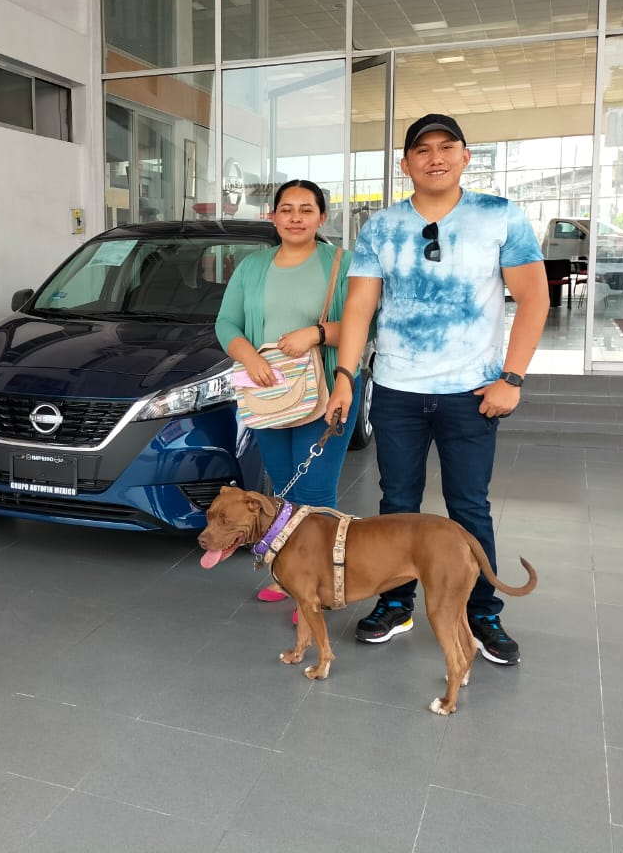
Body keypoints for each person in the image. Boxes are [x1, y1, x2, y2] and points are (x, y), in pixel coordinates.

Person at [324, 113, 548, 665]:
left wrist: (512, 378)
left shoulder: (499, 216)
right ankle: (395, 602)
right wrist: (346, 377)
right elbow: (360, 307)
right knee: (396, 504)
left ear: (466, 156)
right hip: (397, 390)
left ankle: (482, 612)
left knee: (468, 505)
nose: (435, 158)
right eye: (422, 150)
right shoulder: (381, 227)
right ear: (406, 165)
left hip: (472, 392)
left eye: (447, 147)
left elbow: (534, 298)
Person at [216, 179, 363, 607]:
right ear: (273, 216)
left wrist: (316, 333)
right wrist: (250, 358)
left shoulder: (343, 263)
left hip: (328, 388)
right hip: (268, 391)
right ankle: (290, 576)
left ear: (322, 217)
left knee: (314, 494)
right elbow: (226, 323)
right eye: (286, 209)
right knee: (282, 491)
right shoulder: (252, 267)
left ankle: (322, 587)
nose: (295, 218)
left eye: (306, 209)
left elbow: (365, 324)